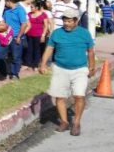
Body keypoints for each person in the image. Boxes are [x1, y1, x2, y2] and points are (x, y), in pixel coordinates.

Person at [39, 7, 95, 136]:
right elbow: (49, 49)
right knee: (60, 96)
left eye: (70, 21)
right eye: (65, 21)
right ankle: (64, 121)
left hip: (80, 69)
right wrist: (43, 64)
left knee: (79, 95)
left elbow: (91, 51)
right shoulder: (57, 33)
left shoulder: (84, 33)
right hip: (60, 68)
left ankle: (76, 122)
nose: (67, 24)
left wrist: (91, 67)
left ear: (76, 21)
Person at [2, 0, 30, 80]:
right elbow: (3, 22)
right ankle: (8, 71)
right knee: (6, 56)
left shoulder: (20, 10)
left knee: (16, 56)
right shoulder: (6, 11)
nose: (5, 4)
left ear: (9, 1)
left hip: (16, 37)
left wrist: (19, 36)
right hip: (7, 37)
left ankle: (15, 74)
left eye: (6, 2)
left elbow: (24, 24)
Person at [24, 0, 49, 70]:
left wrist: (43, 35)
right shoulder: (29, 14)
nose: (30, 8)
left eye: (32, 7)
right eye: (30, 7)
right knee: (29, 49)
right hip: (29, 34)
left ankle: (35, 64)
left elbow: (46, 26)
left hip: (38, 35)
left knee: (37, 50)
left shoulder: (43, 15)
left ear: (37, 8)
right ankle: (28, 64)